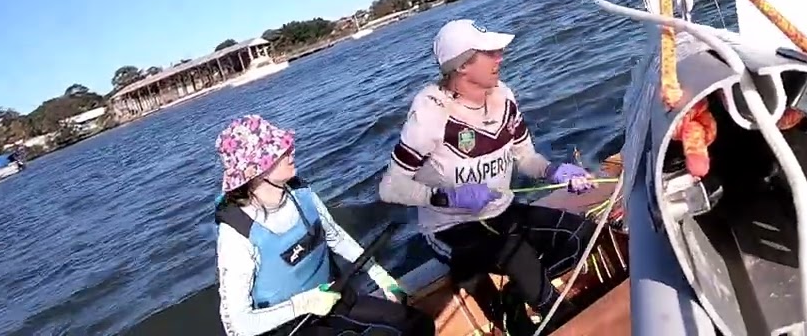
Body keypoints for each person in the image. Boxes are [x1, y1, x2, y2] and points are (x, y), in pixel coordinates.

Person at [378, 19, 599, 334]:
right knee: (517, 254)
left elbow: (525, 157)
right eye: (490, 53)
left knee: (582, 236)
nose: (500, 57)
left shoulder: (503, 97)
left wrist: (554, 170)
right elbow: (390, 188)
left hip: (501, 212)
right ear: (462, 66)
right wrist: (446, 197)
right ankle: (556, 316)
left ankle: (514, 295)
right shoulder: (430, 114)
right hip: (450, 229)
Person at [214, 114, 434, 336]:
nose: (291, 151)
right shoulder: (235, 235)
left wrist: (380, 276)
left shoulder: (301, 193)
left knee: (419, 323)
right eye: (279, 151)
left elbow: (336, 238)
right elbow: (238, 325)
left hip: (333, 298)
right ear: (256, 172)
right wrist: (302, 305)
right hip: (289, 327)